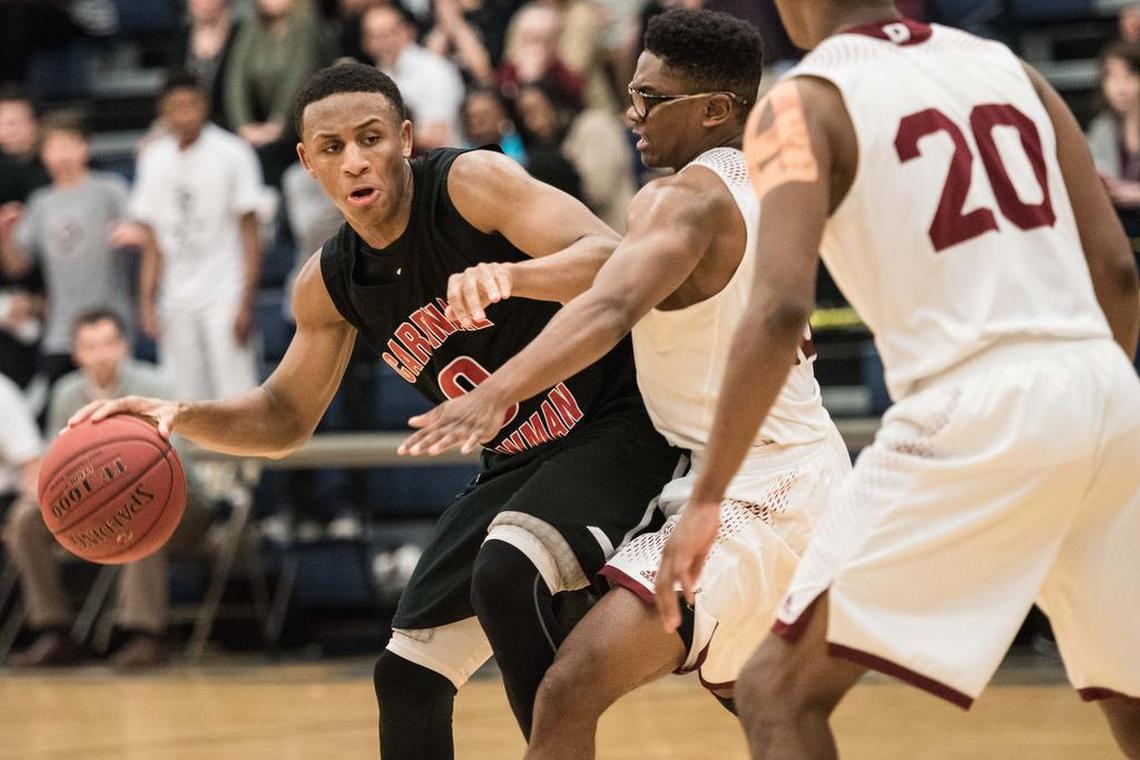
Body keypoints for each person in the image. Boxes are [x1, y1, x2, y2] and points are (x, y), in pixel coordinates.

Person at [70, 62, 680, 757]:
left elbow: (611, 257)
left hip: (620, 420)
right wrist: (178, 415)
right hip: (520, 459)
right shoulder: (329, 284)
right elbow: (283, 417)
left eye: (371, 139)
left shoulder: (469, 186)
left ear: (405, 139)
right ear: (307, 162)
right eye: (332, 148)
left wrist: (513, 276)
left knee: (507, 570)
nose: (355, 160)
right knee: (406, 675)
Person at [652, 5, 1140, 758]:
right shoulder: (1012, 71)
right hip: (1106, 388)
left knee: (776, 691)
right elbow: (1117, 273)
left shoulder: (798, 102)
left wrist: (709, 494)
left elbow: (780, 305)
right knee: (1130, 695)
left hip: (971, 406)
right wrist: (1083, 416)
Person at [399, 11, 849, 758]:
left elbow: (610, 305)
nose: (630, 112)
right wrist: (512, 276)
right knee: (773, 714)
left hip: (762, 491)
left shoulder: (682, 199)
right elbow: (611, 268)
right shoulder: (765, 183)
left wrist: (493, 392)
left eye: (650, 97)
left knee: (571, 687)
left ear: (713, 109)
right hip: (803, 472)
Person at [4, 309, 210, 668]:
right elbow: (58, 467)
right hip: (104, 502)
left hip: (182, 499)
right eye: (90, 346)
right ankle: (53, 630)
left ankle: (147, 635)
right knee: (25, 518)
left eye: (108, 344)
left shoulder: (156, 384)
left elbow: (173, 466)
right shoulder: (66, 392)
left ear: (124, 346)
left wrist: (119, 478)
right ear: (76, 353)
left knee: (141, 510)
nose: (100, 354)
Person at [125, 72, 263, 411]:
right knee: (181, 395)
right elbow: (152, 241)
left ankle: (242, 466)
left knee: (235, 390)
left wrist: (245, 301)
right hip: (175, 295)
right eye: (175, 107)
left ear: (204, 106)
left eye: (191, 105)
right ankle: (190, 466)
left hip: (224, 289)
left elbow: (250, 232)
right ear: (163, 112)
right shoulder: (153, 158)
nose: (184, 114)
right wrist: (147, 300)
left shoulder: (233, 152)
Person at [0, 111, 133, 392]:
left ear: (85, 147)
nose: (61, 155)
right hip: (61, 330)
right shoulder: (40, 202)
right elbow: (18, 266)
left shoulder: (110, 190)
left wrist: (136, 235)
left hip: (111, 323)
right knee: (64, 410)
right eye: (53, 146)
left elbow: (141, 233)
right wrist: (4, 238)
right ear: (43, 153)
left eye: (68, 144)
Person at [361, 3, 466, 149]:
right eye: (373, 36)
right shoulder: (377, 76)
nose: (381, 43)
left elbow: (438, 136)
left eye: (386, 34)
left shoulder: (434, 70)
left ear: (405, 32)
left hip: (440, 163)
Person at [1087, 42, 1140, 218]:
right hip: (1120, 223)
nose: (1120, 88)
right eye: (1111, 77)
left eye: (1129, 76)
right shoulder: (1102, 127)